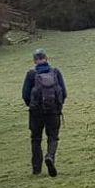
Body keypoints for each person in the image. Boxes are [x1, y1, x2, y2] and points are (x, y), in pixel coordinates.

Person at [21, 48, 67, 177]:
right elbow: (64, 92)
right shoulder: (56, 72)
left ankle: (36, 169)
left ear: (35, 60)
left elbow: (25, 94)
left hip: (36, 113)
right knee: (53, 137)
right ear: (46, 58)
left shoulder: (31, 74)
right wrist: (58, 106)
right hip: (53, 112)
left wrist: (32, 106)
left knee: (36, 139)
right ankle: (50, 157)